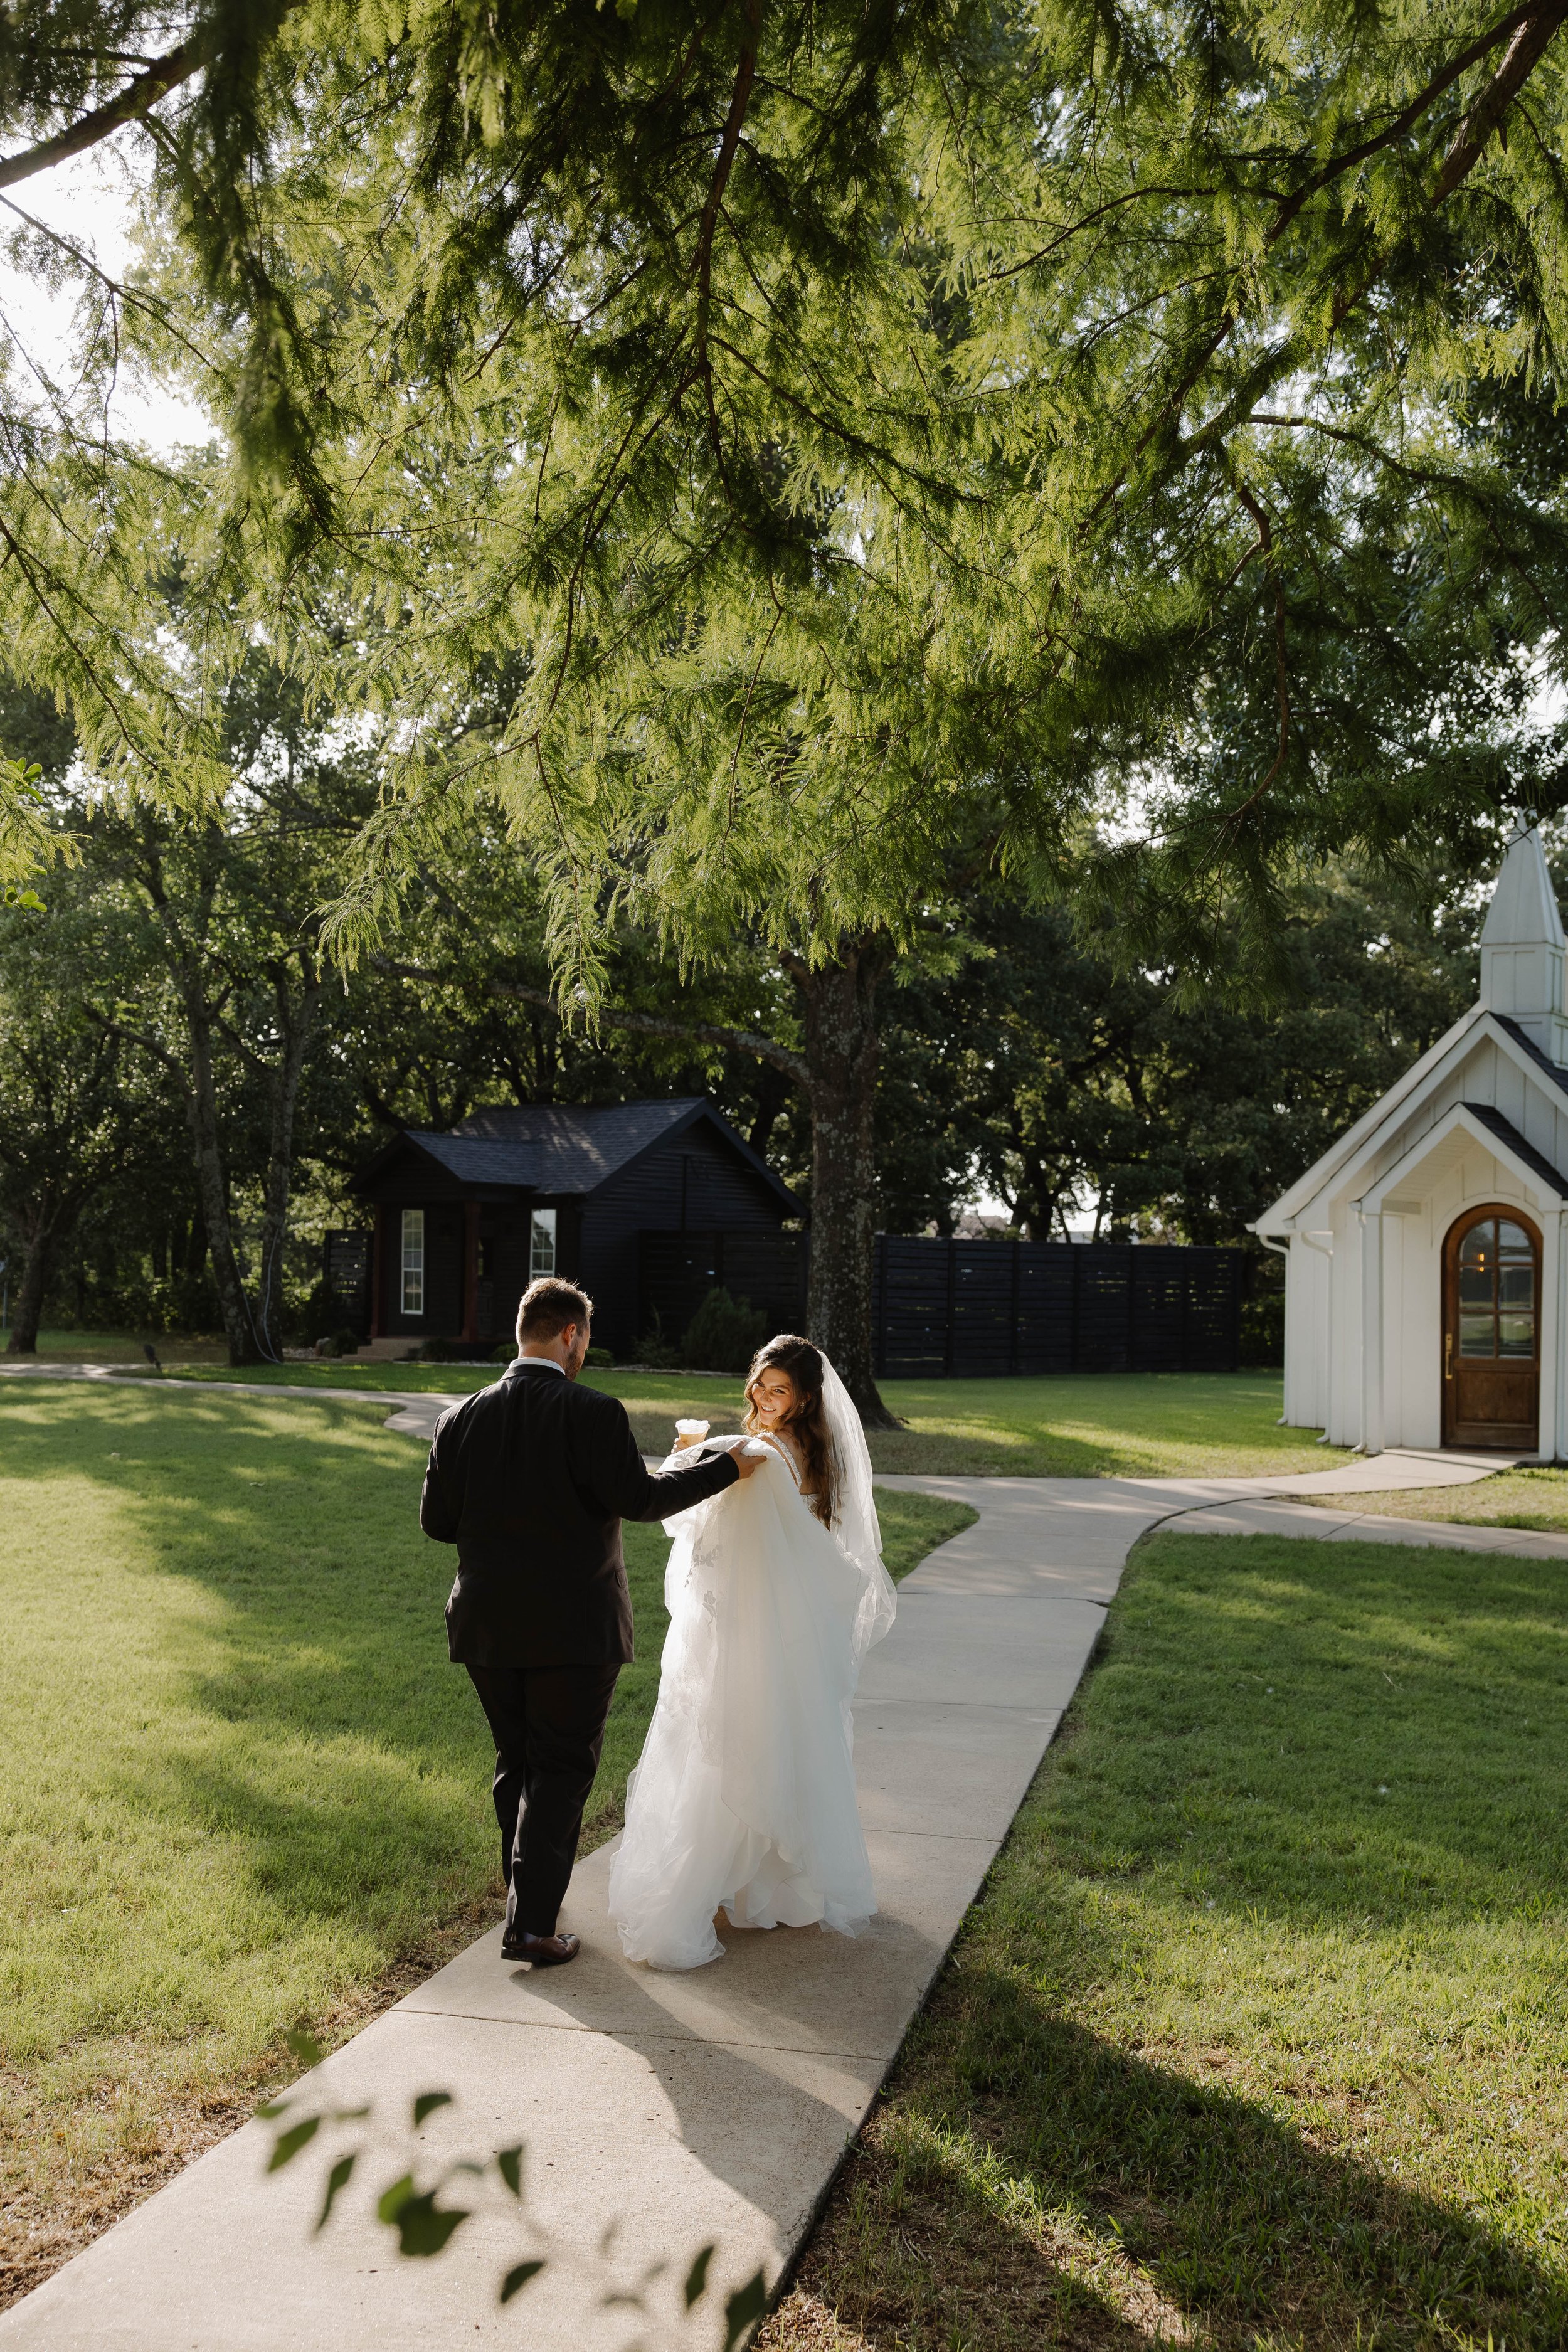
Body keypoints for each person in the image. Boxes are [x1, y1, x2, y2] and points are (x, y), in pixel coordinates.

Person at [420, 1276, 763, 1968]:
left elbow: (437, 1523)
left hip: (486, 1625)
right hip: (573, 1629)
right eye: (586, 1340)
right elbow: (639, 1501)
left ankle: (526, 1900)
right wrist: (726, 1467)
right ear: (571, 1335)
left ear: (524, 1330)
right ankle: (532, 1929)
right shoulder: (593, 1411)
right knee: (561, 1768)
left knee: (517, 1762)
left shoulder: (459, 1417)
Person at [607, 1334, 897, 1971]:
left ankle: (718, 1878)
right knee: (776, 1735)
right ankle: (768, 1877)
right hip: (783, 1624)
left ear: (803, 1399)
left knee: (725, 1738)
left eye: (778, 1390)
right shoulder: (816, 1456)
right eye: (759, 1386)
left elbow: (689, 1521)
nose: (763, 1399)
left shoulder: (758, 1454)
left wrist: (687, 1460)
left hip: (740, 1621)